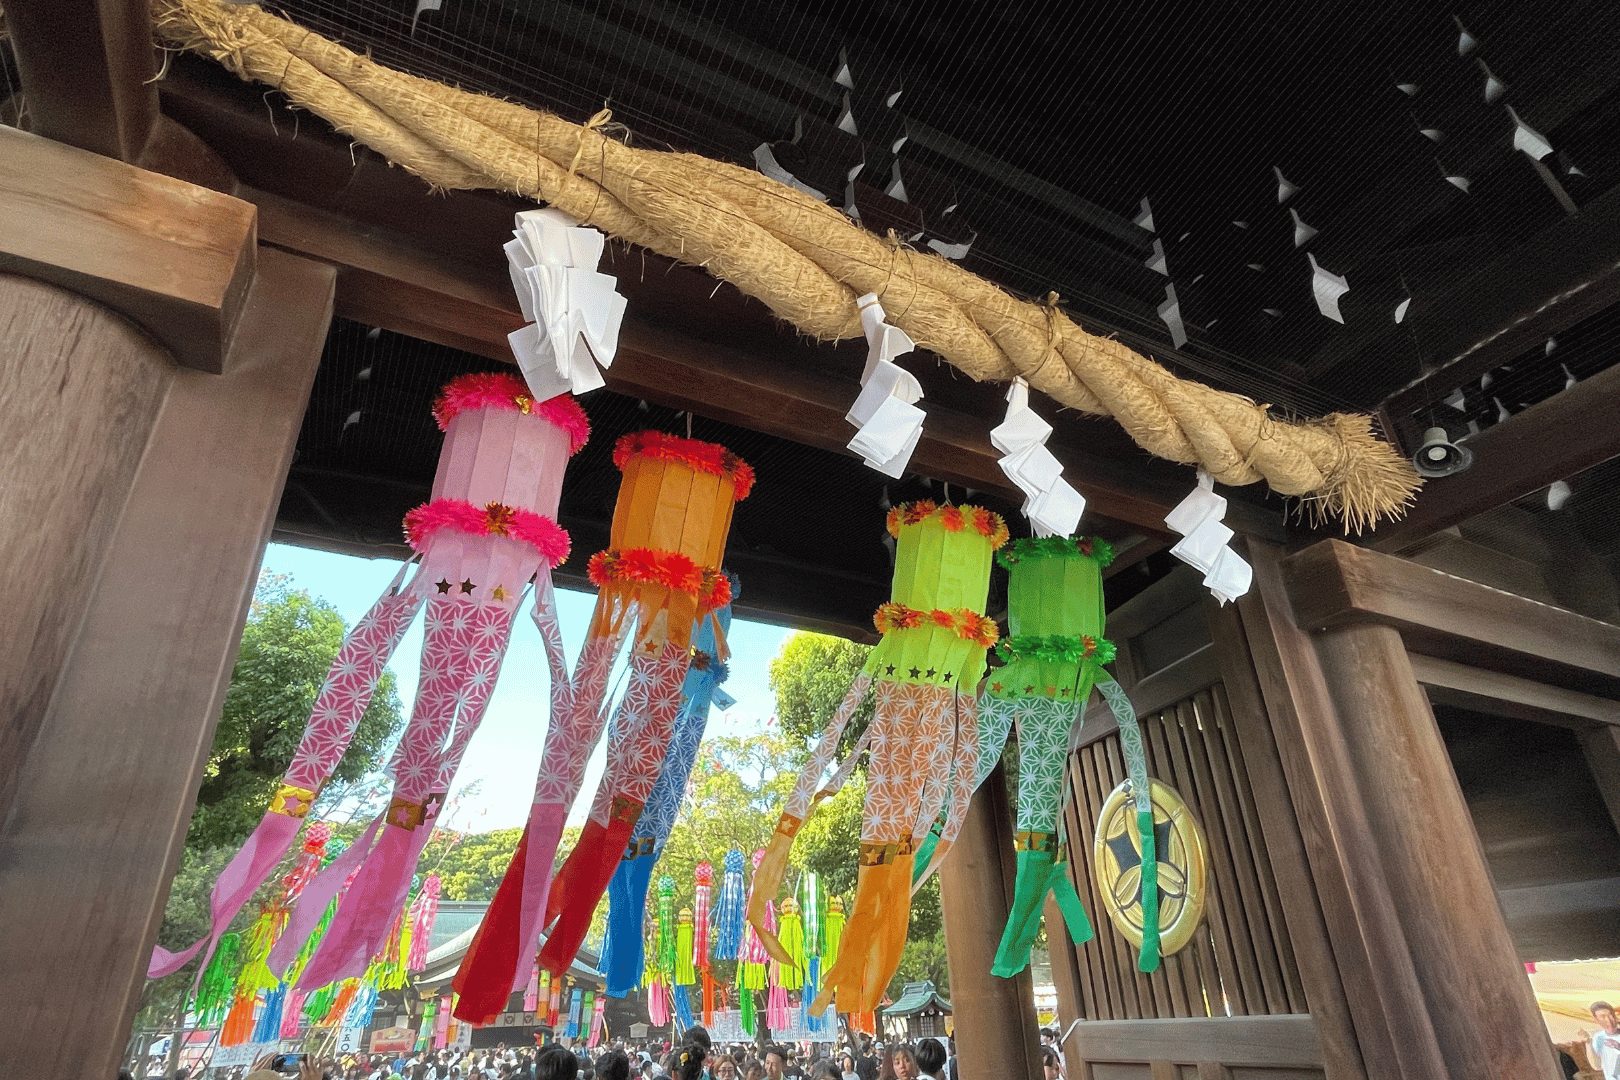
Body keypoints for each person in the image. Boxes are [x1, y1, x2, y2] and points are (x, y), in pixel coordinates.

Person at [1593, 1001, 1620, 1080]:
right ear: (1596, 1020)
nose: (1608, 1020)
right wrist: (1587, 1042)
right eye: (1603, 1016)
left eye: (1610, 1015)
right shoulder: (1598, 1037)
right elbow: (1597, 1066)